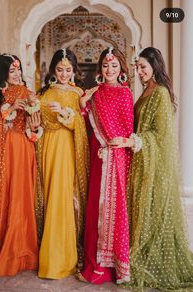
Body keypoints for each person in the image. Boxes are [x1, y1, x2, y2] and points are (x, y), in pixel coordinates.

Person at [113, 47, 193, 291]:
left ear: (155, 67)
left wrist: (131, 141)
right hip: (141, 163)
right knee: (139, 211)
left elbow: (160, 136)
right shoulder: (146, 91)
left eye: (143, 67)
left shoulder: (159, 93)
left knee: (154, 213)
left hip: (155, 166)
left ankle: (152, 257)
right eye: (137, 68)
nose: (138, 72)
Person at [0, 54, 42, 276]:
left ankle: (22, 250)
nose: (17, 74)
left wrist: (34, 119)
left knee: (21, 197)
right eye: (12, 71)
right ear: (2, 73)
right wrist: (12, 106)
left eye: (19, 70)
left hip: (23, 150)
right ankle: (0, 248)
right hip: (3, 153)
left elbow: (34, 129)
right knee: (4, 195)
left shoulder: (28, 93)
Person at [78, 47, 134, 284]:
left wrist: (114, 148)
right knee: (95, 208)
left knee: (113, 208)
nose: (109, 70)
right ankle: (95, 263)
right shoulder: (94, 93)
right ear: (99, 69)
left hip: (116, 157)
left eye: (113, 65)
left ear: (121, 68)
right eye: (105, 66)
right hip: (97, 155)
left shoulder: (125, 94)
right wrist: (82, 104)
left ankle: (113, 266)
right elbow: (86, 125)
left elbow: (128, 130)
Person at [36, 48, 89, 279]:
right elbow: (36, 120)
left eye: (68, 70)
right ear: (53, 70)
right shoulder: (44, 92)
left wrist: (66, 113)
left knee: (64, 196)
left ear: (74, 70)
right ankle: (44, 251)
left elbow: (84, 123)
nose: (64, 74)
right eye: (59, 69)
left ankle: (63, 257)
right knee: (49, 195)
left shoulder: (79, 93)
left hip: (68, 148)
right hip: (47, 147)